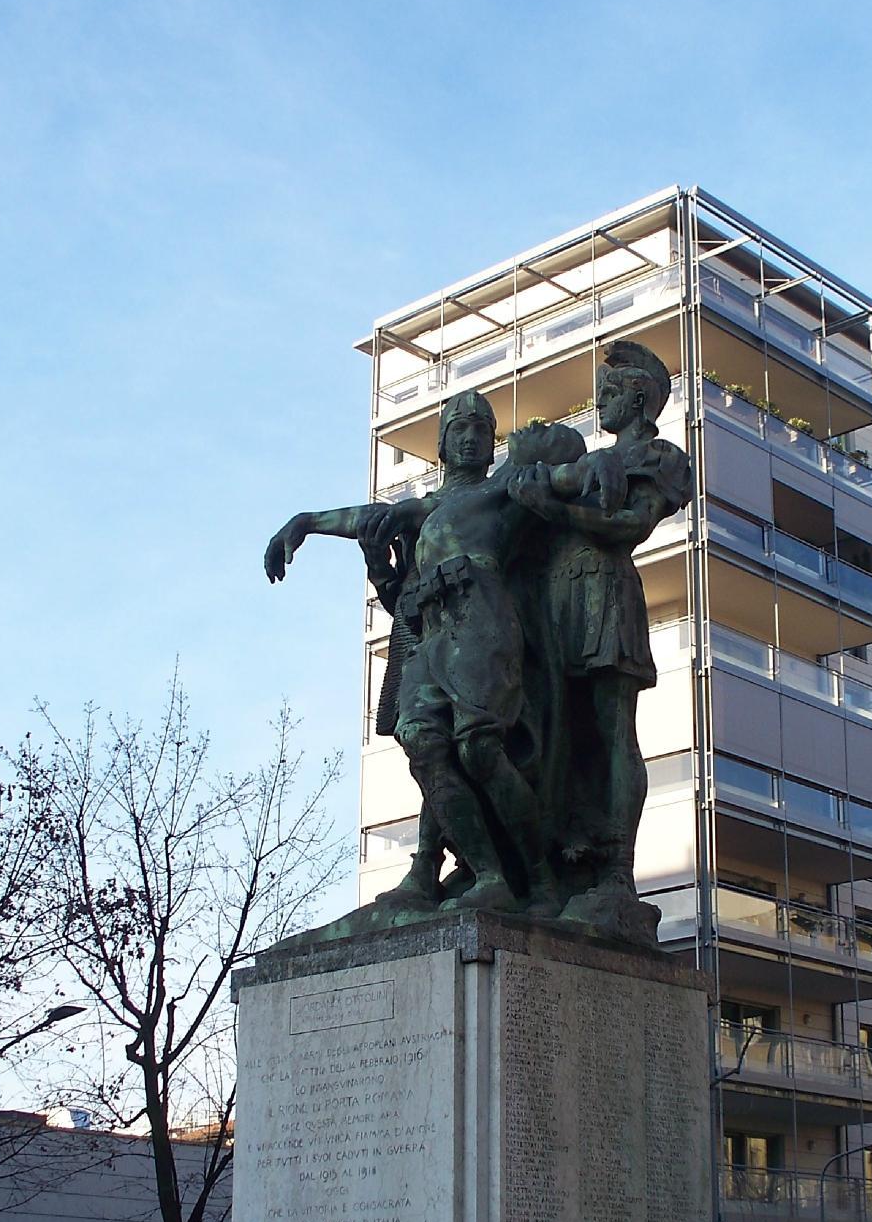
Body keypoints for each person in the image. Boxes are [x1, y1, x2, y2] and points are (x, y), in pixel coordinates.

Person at [264, 391, 572, 916]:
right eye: (461, 428)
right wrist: (308, 521)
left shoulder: (504, 488)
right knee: (424, 746)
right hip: (430, 630)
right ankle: (488, 875)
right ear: (442, 444)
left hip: (481, 617)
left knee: (477, 747)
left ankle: (538, 881)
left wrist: (542, 450)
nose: (472, 436)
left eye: (482, 428)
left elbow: (568, 454)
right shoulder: (427, 508)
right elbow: (377, 515)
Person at [506, 340, 691, 931]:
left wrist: (552, 508)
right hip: (557, 598)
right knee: (562, 728)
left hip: (605, 592)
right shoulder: (581, 464)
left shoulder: (659, 457)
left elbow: (628, 527)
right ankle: (562, 857)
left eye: (610, 393)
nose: (599, 403)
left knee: (613, 734)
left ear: (639, 397)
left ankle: (616, 872)